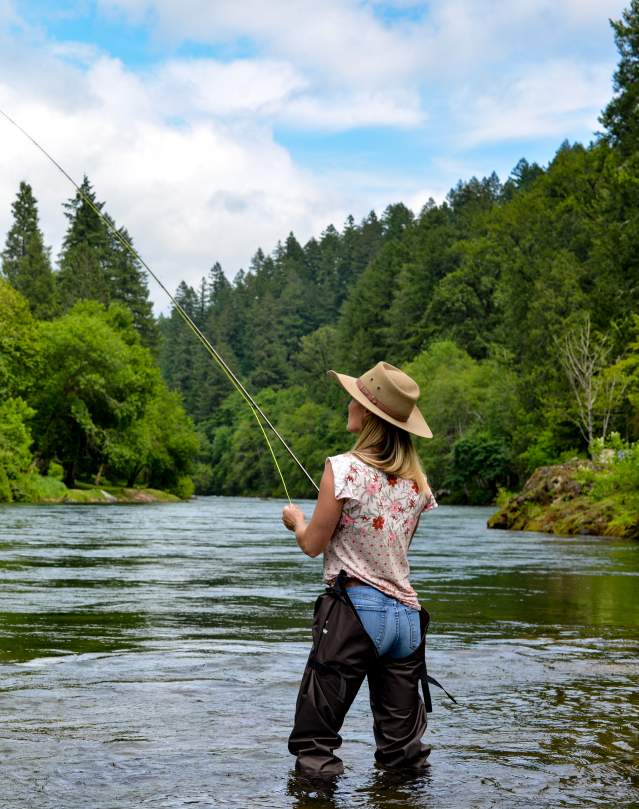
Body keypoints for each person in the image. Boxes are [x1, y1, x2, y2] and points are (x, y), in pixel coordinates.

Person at [282, 360, 441, 776]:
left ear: (369, 413)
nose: (348, 404)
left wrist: (296, 522)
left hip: (353, 616)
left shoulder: (342, 468)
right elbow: (395, 548)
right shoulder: (418, 485)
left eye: (354, 398)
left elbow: (313, 546)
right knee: (403, 757)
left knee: (315, 748)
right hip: (407, 621)